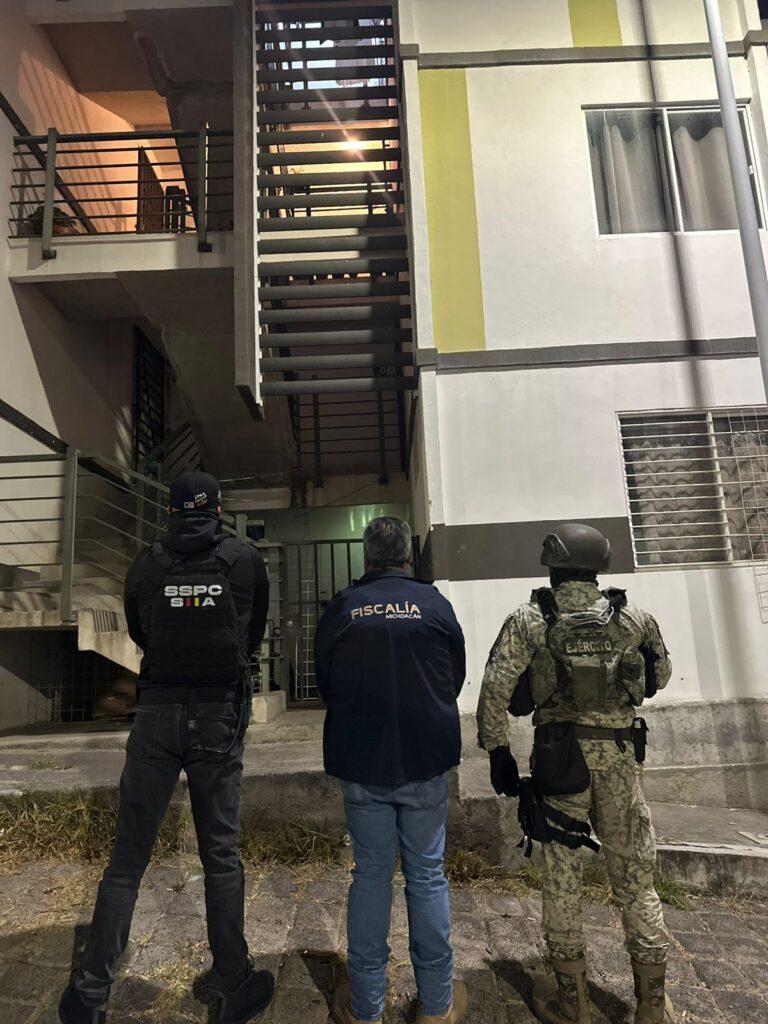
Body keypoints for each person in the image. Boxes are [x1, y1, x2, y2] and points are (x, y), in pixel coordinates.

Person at [58, 471, 274, 1024]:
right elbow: (251, 635)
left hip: (156, 713)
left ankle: (90, 993)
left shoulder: (145, 564)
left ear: (172, 511)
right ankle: (232, 982)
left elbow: (141, 632)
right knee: (219, 856)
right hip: (218, 715)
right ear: (218, 510)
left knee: (127, 858)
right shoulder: (245, 561)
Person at [476, 524, 673, 1024]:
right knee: (636, 881)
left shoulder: (530, 619)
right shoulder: (634, 617)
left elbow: (496, 688)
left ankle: (573, 1003)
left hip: (560, 763)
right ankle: (652, 1005)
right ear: (598, 568)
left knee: (562, 880)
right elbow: (660, 677)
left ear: (553, 569)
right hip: (621, 763)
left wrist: (497, 750)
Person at [315, 517, 468, 1024]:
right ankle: (436, 1006)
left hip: (362, 761)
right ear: (407, 554)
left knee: (370, 876)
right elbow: (454, 677)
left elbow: (325, 681)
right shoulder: (434, 604)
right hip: (424, 759)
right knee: (426, 876)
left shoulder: (343, 608)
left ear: (367, 556)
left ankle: (365, 1008)